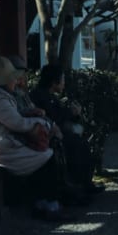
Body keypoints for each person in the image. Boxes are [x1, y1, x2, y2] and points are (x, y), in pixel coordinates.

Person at [0, 55, 71, 221]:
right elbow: (18, 124)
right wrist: (43, 123)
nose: (16, 82)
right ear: (4, 81)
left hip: (0, 144)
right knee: (47, 157)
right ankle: (49, 206)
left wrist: (30, 114)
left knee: (44, 156)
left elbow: (14, 118)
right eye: (13, 79)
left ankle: (42, 203)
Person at [30, 63, 105, 195]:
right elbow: (53, 117)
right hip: (49, 137)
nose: (64, 83)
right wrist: (71, 113)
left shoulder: (50, 96)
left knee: (82, 143)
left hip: (59, 134)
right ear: (54, 81)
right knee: (78, 145)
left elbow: (62, 115)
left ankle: (84, 183)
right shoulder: (40, 96)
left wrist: (74, 114)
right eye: (62, 79)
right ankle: (79, 185)